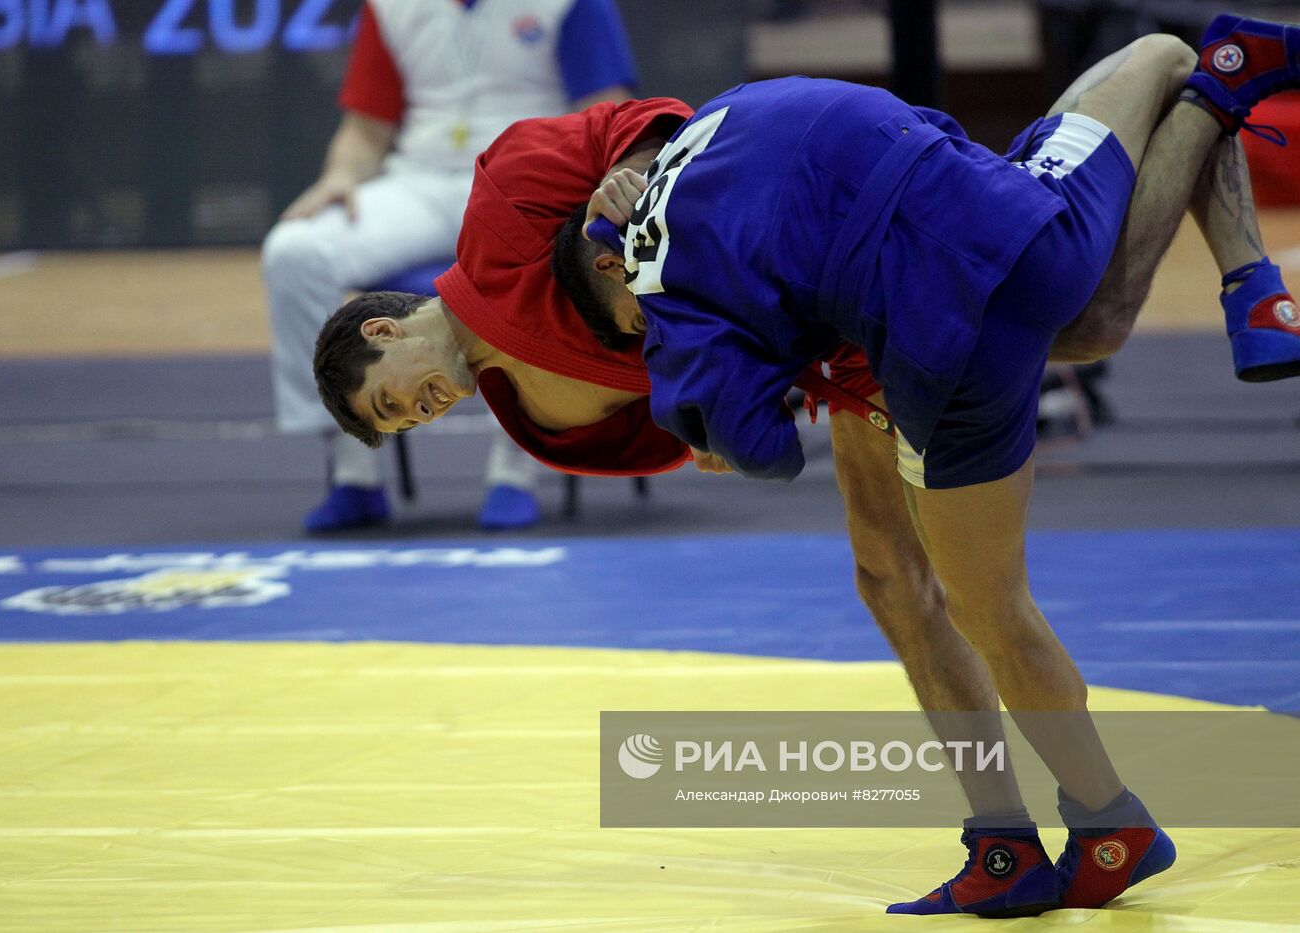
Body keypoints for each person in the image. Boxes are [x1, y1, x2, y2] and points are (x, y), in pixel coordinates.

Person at [312, 14, 1300, 914]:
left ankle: (1200, 150)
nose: (418, 412)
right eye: (399, 425)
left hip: (833, 249)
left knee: (1069, 328)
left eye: (392, 395)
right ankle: (1001, 835)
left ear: (383, 325)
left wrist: (641, 179)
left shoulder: (505, 189)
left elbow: (672, 134)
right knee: (895, 577)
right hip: (819, 349)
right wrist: (714, 432)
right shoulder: (532, 418)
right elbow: (690, 423)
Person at [263, 0, 637, 532]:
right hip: (420, 182)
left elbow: (605, 109)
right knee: (294, 251)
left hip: (527, 187)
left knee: (555, 264)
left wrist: (581, 198)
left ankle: (514, 471)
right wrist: (340, 175)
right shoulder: (389, 6)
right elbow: (366, 129)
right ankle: (353, 474)